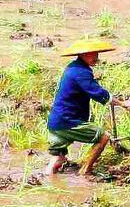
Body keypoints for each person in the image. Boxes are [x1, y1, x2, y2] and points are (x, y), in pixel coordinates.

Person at [45, 38, 119, 175]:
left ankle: (49, 182)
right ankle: (85, 170)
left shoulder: (73, 67)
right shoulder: (81, 72)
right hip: (67, 122)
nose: (96, 57)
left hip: (56, 122)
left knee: (57, 160)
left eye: (97, 53)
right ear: (83, 55)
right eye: (93, 54)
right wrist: (122, 103)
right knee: (103, 136)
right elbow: (97, 92)